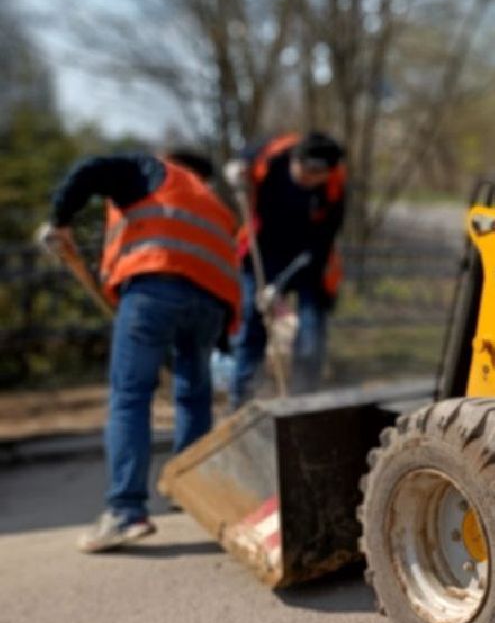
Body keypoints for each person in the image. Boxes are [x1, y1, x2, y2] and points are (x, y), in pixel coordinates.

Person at [42, 149, 240, 552]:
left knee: (130, 395)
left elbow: (90, 169)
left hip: (154, 286)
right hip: (210, 305)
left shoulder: (149, 169)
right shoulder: (213, 202)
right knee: (193, 395)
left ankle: (125, 511)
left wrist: (61, 221)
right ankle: (189, 489)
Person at [228, 131, 347, 405]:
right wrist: (238, 168)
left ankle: (303, 403)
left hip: (308, 260)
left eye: (317, 174)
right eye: (305, 170)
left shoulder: (334, 187)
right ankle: (241, 401)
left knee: (311, 335)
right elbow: (246, 154)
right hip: (262, 251)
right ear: (295, 159)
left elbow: (322, 244)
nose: (308, 178)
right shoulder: (273, 156)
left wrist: (280, 285)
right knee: (252, 324)